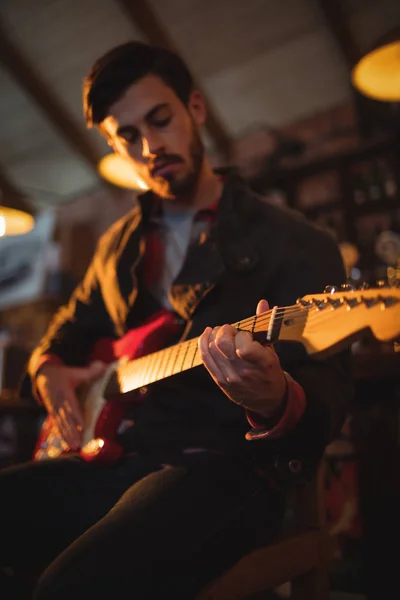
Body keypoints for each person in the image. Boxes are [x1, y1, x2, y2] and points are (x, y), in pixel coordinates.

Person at [0, 42, 351, 600]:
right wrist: (48, 369)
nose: (150, 146)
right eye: (128, 138)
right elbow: (69, 329)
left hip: (222, 467)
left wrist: (275, 398)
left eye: (159, 120)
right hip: (115, 459)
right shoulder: (117, 246)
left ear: (196, 108)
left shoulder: (296, 243)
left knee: (69, 588)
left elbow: (332, 390)